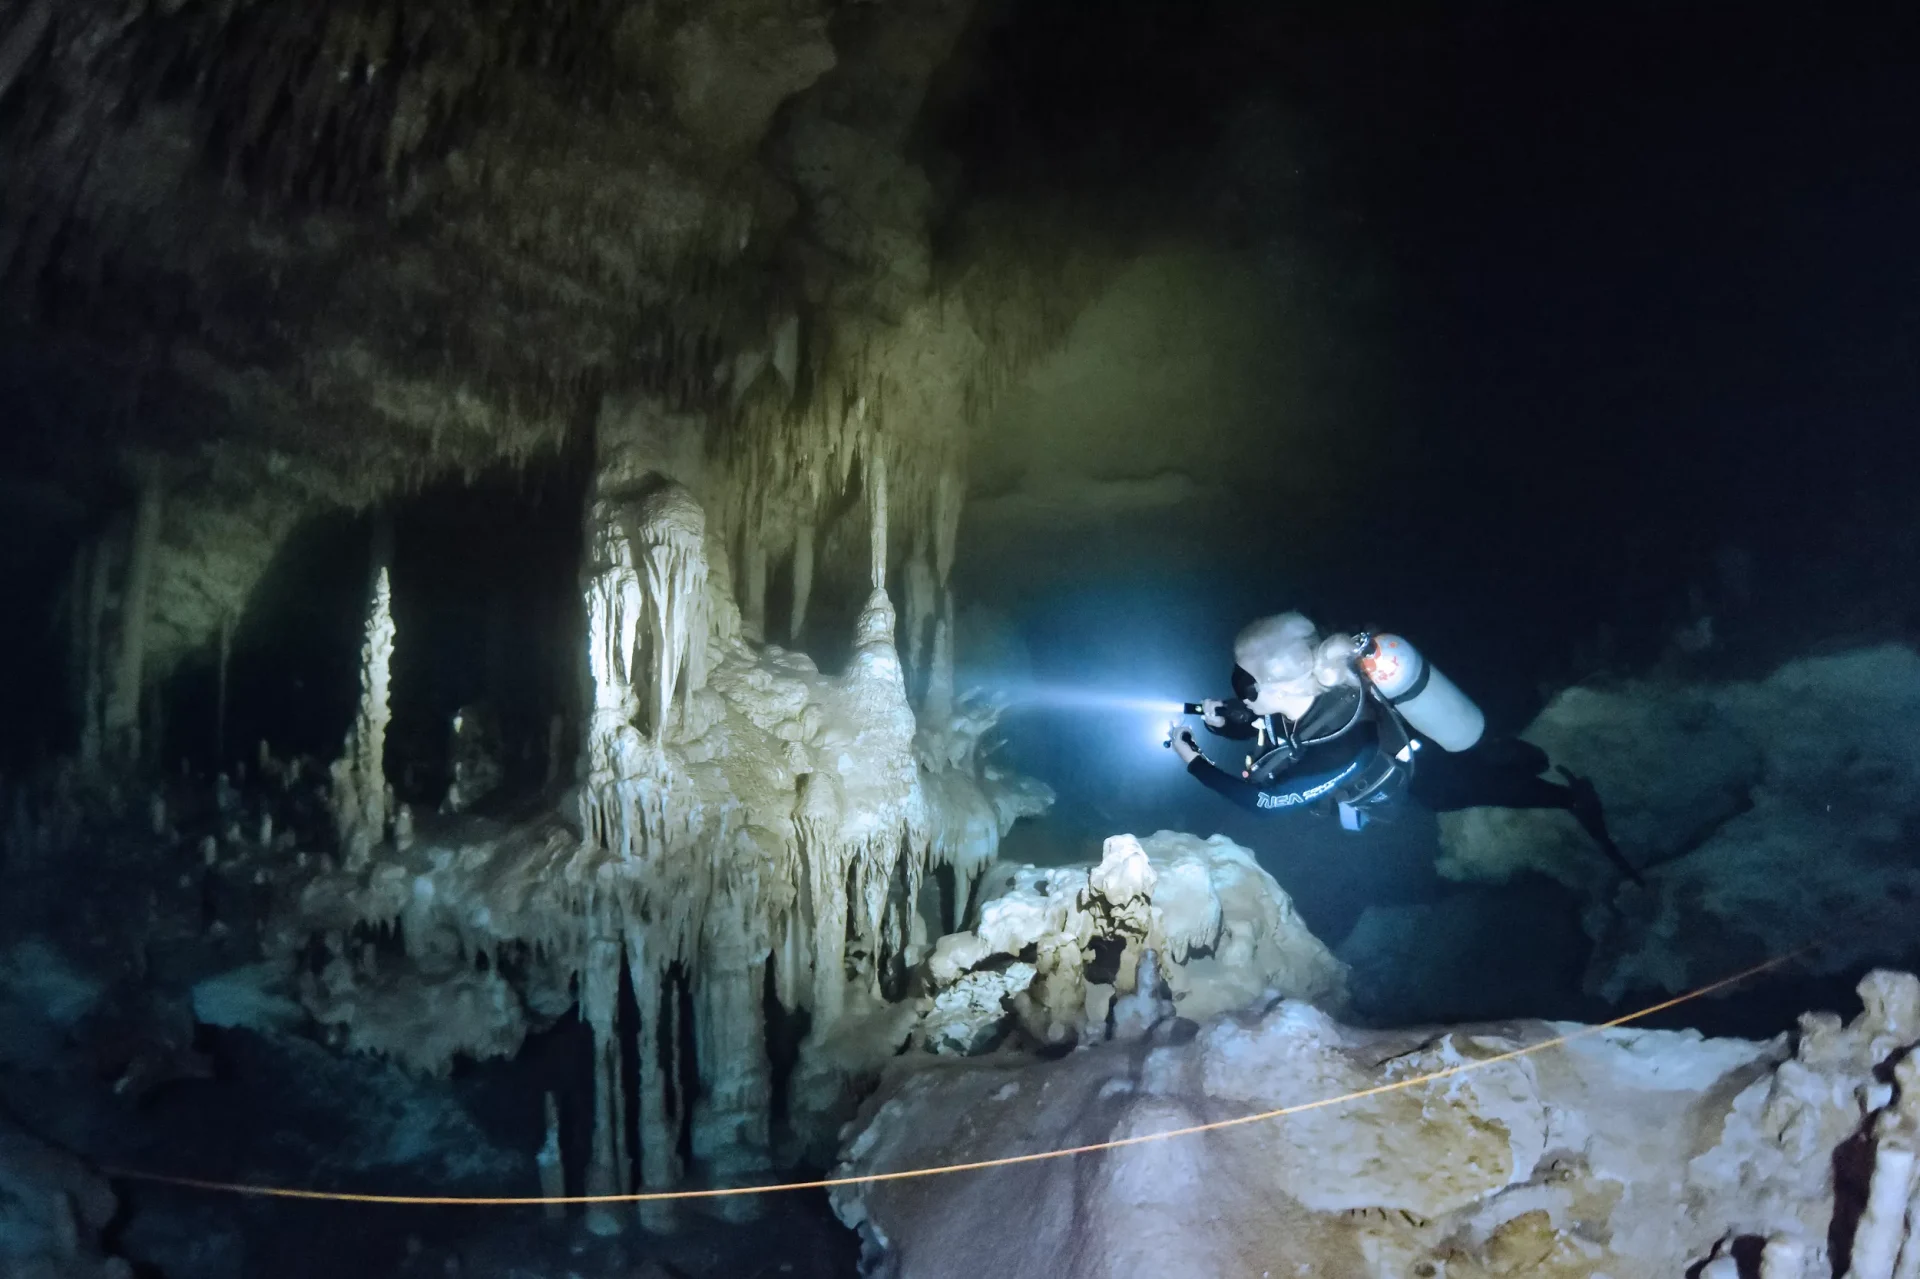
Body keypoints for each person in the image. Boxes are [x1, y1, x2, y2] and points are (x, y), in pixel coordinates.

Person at [1168, 612, 1643, 885]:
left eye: (1246, 685)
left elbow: (1266, 803)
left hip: (1423, 772)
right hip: (1411, 740)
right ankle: (1518, 759)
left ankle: (1566, 798)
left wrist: (1193, 760)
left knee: (1477, 789)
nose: (1239, 692)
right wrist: (1227, 722)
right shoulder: (1315, 686)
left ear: (1282, 685)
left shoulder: (1341, 744)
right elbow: (1267, 718)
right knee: (1483, 769)